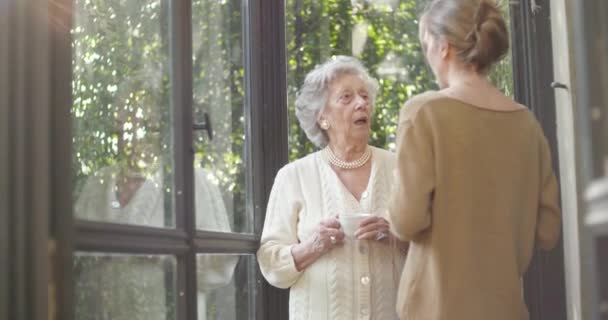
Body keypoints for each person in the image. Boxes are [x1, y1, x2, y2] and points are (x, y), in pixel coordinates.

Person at [388, 1, 561, 319]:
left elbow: (406, 220)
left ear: (444, 47)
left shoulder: (424, 113)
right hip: (506, 308)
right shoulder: (527, 124)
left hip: (438, 309)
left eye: (426, 45)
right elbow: (548, 230)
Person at [257, 56, 407, 320]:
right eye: (346, 97)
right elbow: (270, 262)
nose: (361, 103)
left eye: (364, 96)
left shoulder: (399, 168)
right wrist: (313, 245)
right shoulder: (293, 176)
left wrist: (396, 236)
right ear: (322, 117)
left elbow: (433, 247)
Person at [74, 99, 237, 320]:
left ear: (160, 130)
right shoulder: (98, 183)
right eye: (125, 125)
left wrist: (166, 256)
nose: (133, 136)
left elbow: (222, 266)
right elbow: (73, 256)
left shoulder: (191, 180)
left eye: (145, 126)